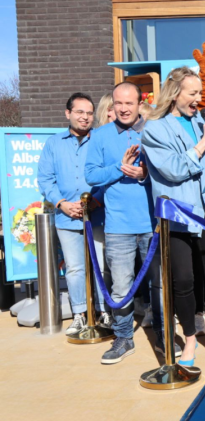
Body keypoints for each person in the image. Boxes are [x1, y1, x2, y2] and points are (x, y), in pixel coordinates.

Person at [142, 67, 205, 375]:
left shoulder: (201, 121)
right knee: (183, 282)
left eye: (200, 93)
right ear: (175, 94)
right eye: (193, 93)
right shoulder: (154, 129)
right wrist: (204, 142)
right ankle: (189, 340)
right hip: (178, 216)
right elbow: (172, 170)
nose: (199, 99)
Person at [85, 82, 167, 365]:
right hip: (117, 225)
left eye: (128, 103)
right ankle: (123, 338)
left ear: (138, 103)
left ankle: (165, 336)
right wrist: (119, 167)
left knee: (160, 284)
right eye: (118, 103)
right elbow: (91, 176)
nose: (122, 108)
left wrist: (145, 173)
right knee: (120, 286)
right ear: (112, 106)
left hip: (153, 223)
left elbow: (168, 171)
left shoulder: (152, 130)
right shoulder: (100, 136)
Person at [38, 92, 112, 335]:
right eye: (79, 112)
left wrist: (96, 202)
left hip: (98, 216)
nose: (85, 117)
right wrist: (62, 203)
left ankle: (103, 312)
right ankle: (79, 314)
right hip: (66, 217)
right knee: (75, 268)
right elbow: (46, 179)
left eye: (89, 113)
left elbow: (108, 175)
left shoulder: (101, 140)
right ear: (68, 113)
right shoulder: (53, 143)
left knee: (101, 267)